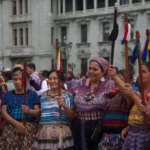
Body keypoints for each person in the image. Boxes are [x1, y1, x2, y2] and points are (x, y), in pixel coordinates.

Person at [73, 57, 115, 150]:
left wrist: (115, 76)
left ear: (103, 71)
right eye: (90, 68)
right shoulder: (81, 82)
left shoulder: (109, 84)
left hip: (97, 128)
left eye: (95, 69)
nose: (91, 71)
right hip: (79, 126)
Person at [108, 63, 150, 150]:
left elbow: (146, 112)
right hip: (132, 134)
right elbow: (126, 90)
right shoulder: (140, 92)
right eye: (139, 72)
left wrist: (133, 96)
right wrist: (129, 127)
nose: (140, 74)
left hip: (145, 135)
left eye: (143, 72)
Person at [32, 69, 75, 150]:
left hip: (61, 134)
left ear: (61, 81)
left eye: (55, 78)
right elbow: (41, 113)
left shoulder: (67, 95)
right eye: (50, 78)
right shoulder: (44, 95)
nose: (52, 81)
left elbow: (72, 116)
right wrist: (29, 111)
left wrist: (64, 106)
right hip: (44, 134)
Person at [0, 67, 40, 150]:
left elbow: (38, 112)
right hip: (11, 127)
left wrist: (29, 111)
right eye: (15, 79)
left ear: (26, 81)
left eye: (20, 79)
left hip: (28, 128)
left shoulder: (32, 94)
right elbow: (3, 113)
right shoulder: (8, 95)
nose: (18, 82)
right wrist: (17, 124)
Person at [98, 69, 133, 150]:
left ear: (130, 82)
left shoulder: (129, 96)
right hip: (106, 137)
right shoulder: (115, 95)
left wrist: (114, 76)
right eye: (116, 79)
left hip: (119, 138)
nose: (116, 82)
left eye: (121, 80)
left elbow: (127, 92)